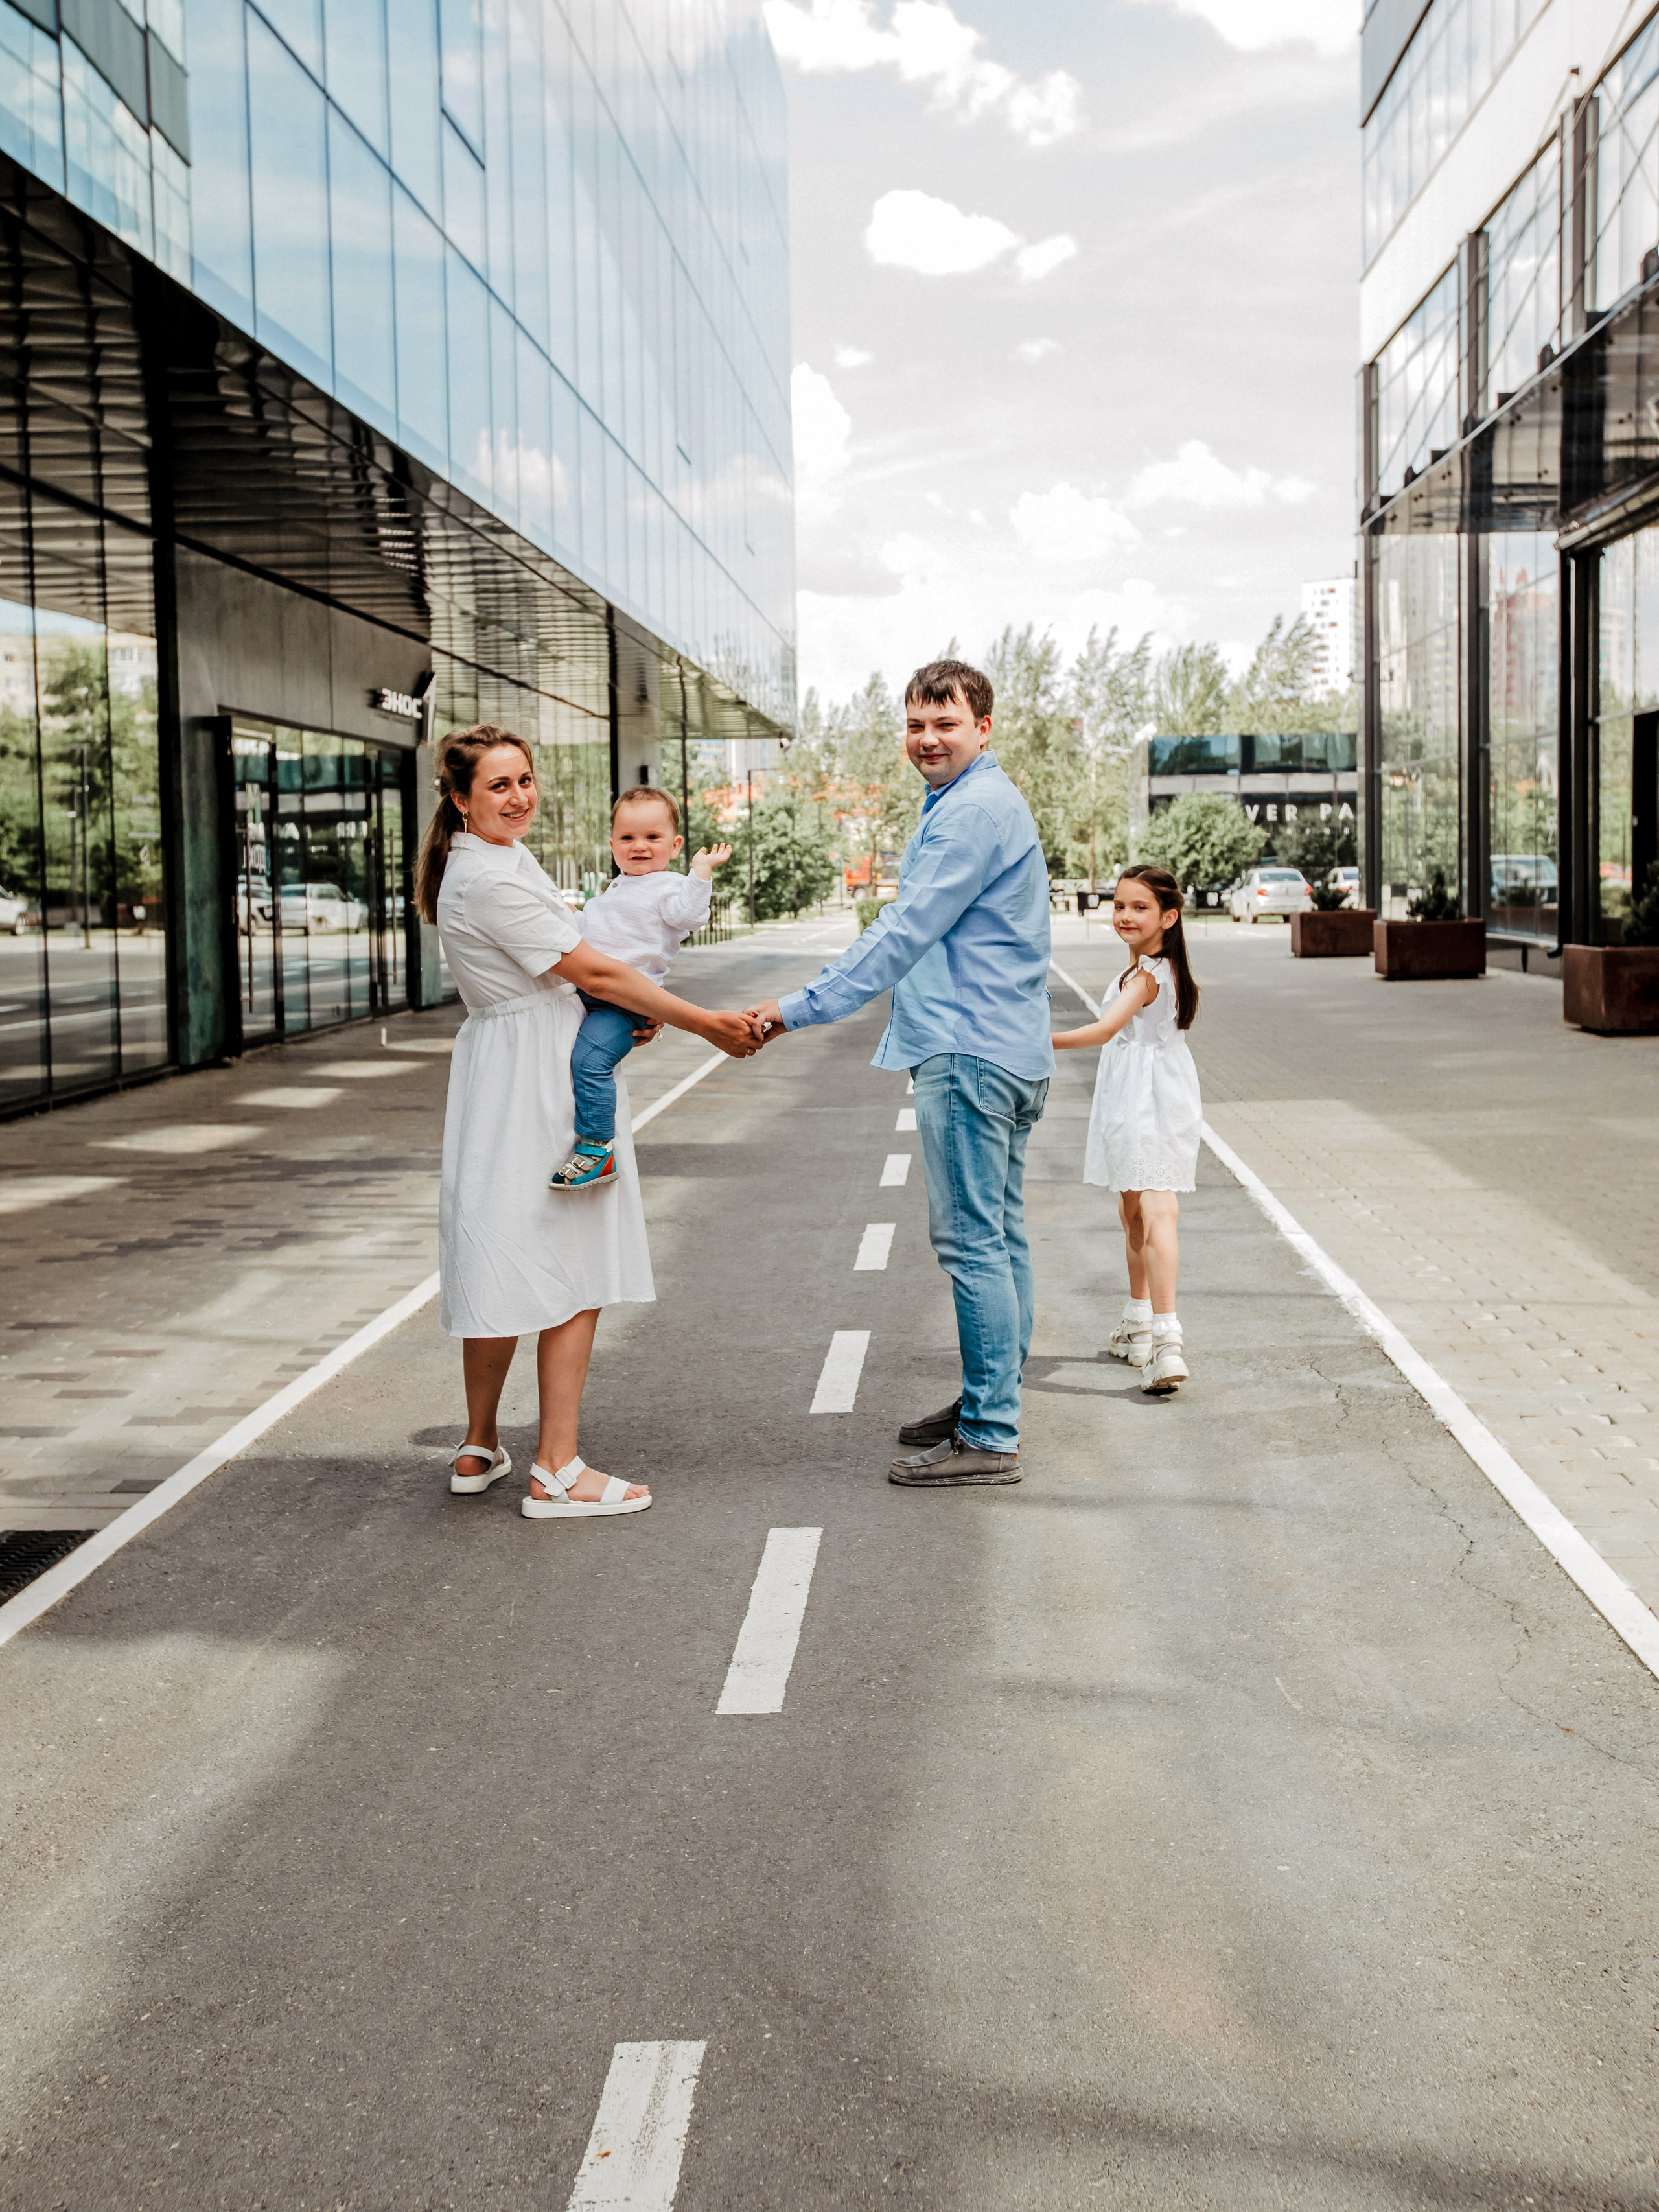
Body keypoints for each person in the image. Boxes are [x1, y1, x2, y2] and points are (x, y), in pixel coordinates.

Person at [413, 724, 760, 1520]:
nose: (520, 796)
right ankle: (557, 1469)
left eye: (525, 779)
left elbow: (583, 973)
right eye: (499, 786)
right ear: (461, 799)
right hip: (533, 1075)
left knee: (497, 1246)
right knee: (572, 1262)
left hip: (511, 1063)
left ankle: (478, 1442)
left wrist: (615, 1017)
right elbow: (594, 968)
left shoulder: (491, 860)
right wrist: (705, 1021)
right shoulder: (490, 877)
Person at [744, 659, 1052, 1489]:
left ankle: (990, 1432)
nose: (927, 739)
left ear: (983, 728)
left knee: (972, 1241)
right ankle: (993, 1397)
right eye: (916, 725)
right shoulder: (974, 802)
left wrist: (793, 1007)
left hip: (968, 1051)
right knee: (1001, 1233)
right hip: (1010, 1048)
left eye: (945, 724)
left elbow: (904, 932)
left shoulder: (970, 813)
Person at [1051, 863, 1201, 1395]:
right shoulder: (1155, 971)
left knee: (1157, 1208)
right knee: (1132, 1207)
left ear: (1170, 916)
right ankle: (1140, 1322)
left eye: (1140, 907)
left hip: (1146, 1100)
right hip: (1149, 1093)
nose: (1125, 916)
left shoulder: (1144, 978)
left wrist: (1034, 1042)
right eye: (1119, 905)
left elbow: (1104, 1030)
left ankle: (1166, 1339)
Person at [551, 787, 733, 1191]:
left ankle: (598, 1147)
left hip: (624, 1004)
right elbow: (588, 935)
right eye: (628, 838)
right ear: (612, 844)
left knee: (591, 1062)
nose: (639, 847)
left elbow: (688, 915)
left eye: (652, 838)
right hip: (590, 994)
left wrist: (700, 872)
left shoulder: (669, 886)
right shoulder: (617, 888)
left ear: (675, 845)